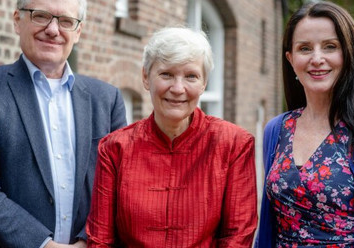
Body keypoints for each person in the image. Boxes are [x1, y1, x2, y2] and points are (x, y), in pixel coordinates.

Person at [0, 0, 127, 248]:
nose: (53, 30)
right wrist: (43, 245)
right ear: (17, 20)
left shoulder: (107, 99)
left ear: (78, 31)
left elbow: (118, 184)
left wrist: (87, 241)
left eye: (66, 21)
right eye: (41, 16)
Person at [255, 1, 354, 248]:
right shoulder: (276, 130)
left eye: (330, 46)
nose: (317, 58)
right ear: (291, 58)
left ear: (348, 54)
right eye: (305, 48)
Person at [86, 27, 257, 247]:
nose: (177, 88)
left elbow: (237, 237)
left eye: (191, 76)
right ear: (146, 77)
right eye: (166, 74)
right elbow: (100, 240)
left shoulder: (234, 144)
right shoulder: (114, 148)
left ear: (204, 83)